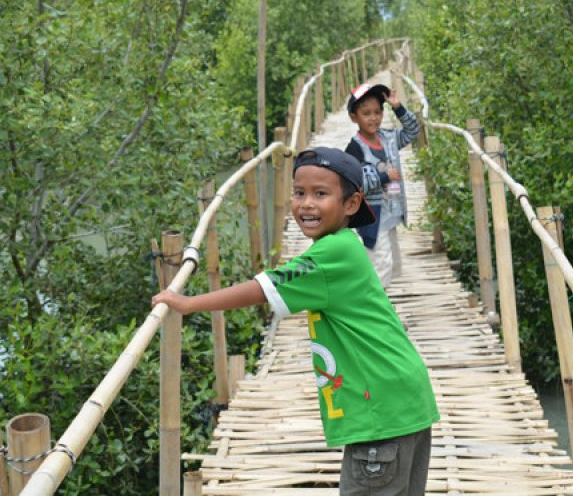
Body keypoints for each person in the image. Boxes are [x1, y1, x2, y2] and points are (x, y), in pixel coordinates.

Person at [152, 147, 439, 495]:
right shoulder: (344, 244)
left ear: (351, 204)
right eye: (299, 193)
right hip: (402, 400)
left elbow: (262, 289)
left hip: (380, 410)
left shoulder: (331, 253)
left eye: (321, 194)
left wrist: (187, 303)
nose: (306, 204)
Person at [345, 83, 420, 288]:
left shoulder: (389, 137)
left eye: (378, 112)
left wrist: (398, 107)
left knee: (392, 265)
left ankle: (378, 305)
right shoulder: (355, 148)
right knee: (380, 266)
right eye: (366, 113)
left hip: (391, 215)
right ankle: (374, 312)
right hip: (372, 217)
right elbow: (357, 182)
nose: (373, 118)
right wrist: (384, 176)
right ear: (354, 117)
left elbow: (413, 131)